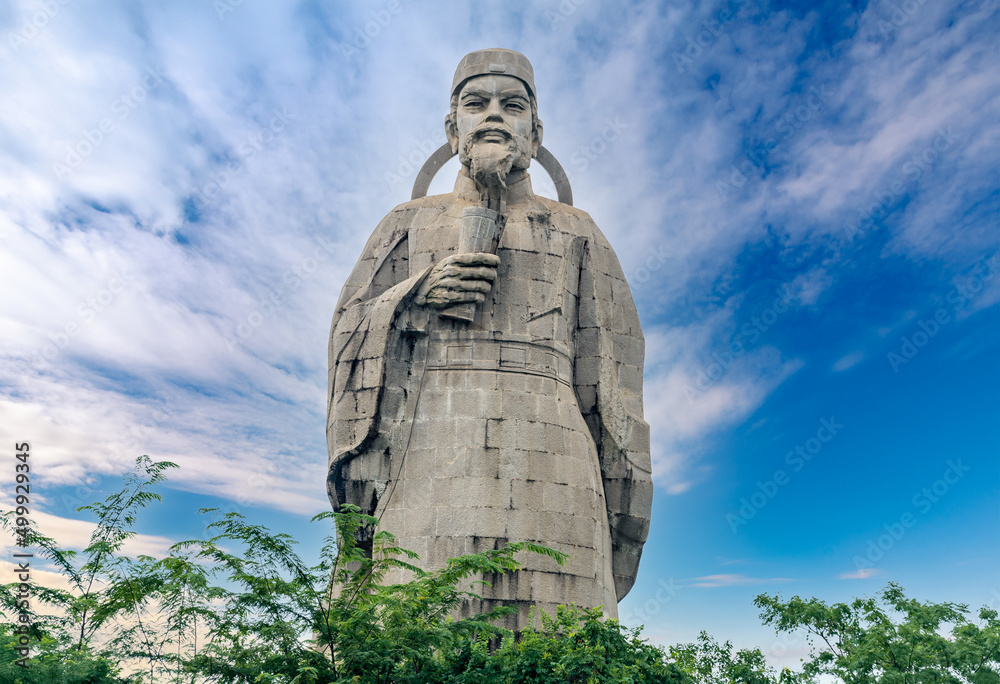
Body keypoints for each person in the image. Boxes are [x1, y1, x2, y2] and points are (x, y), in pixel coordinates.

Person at [327, 48, 651, 630]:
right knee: (414, 628)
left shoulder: (578, 230)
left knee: (566, 643)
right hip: (428, 448)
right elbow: (347, 330)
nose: (494, 114)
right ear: (453, 128)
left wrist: (621, 498)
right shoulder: (406, 222)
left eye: (513, 104)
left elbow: (613, 376)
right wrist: (414, 295)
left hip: (557, 456)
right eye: (477, 103)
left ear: (536, 132)